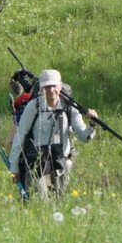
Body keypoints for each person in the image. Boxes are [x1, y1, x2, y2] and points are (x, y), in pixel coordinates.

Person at [8, 69, 98, 198]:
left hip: (62, 163)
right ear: (41, 88)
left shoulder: (69, 107)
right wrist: (14, 168)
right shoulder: (33, 106)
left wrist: (92, 125)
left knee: (60, 201)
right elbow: (20, 136)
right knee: (40, 203)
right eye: (47, 87)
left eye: (54, 86)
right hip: (38, 164)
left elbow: (84, 137)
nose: (51, 90)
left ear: (60, 86)